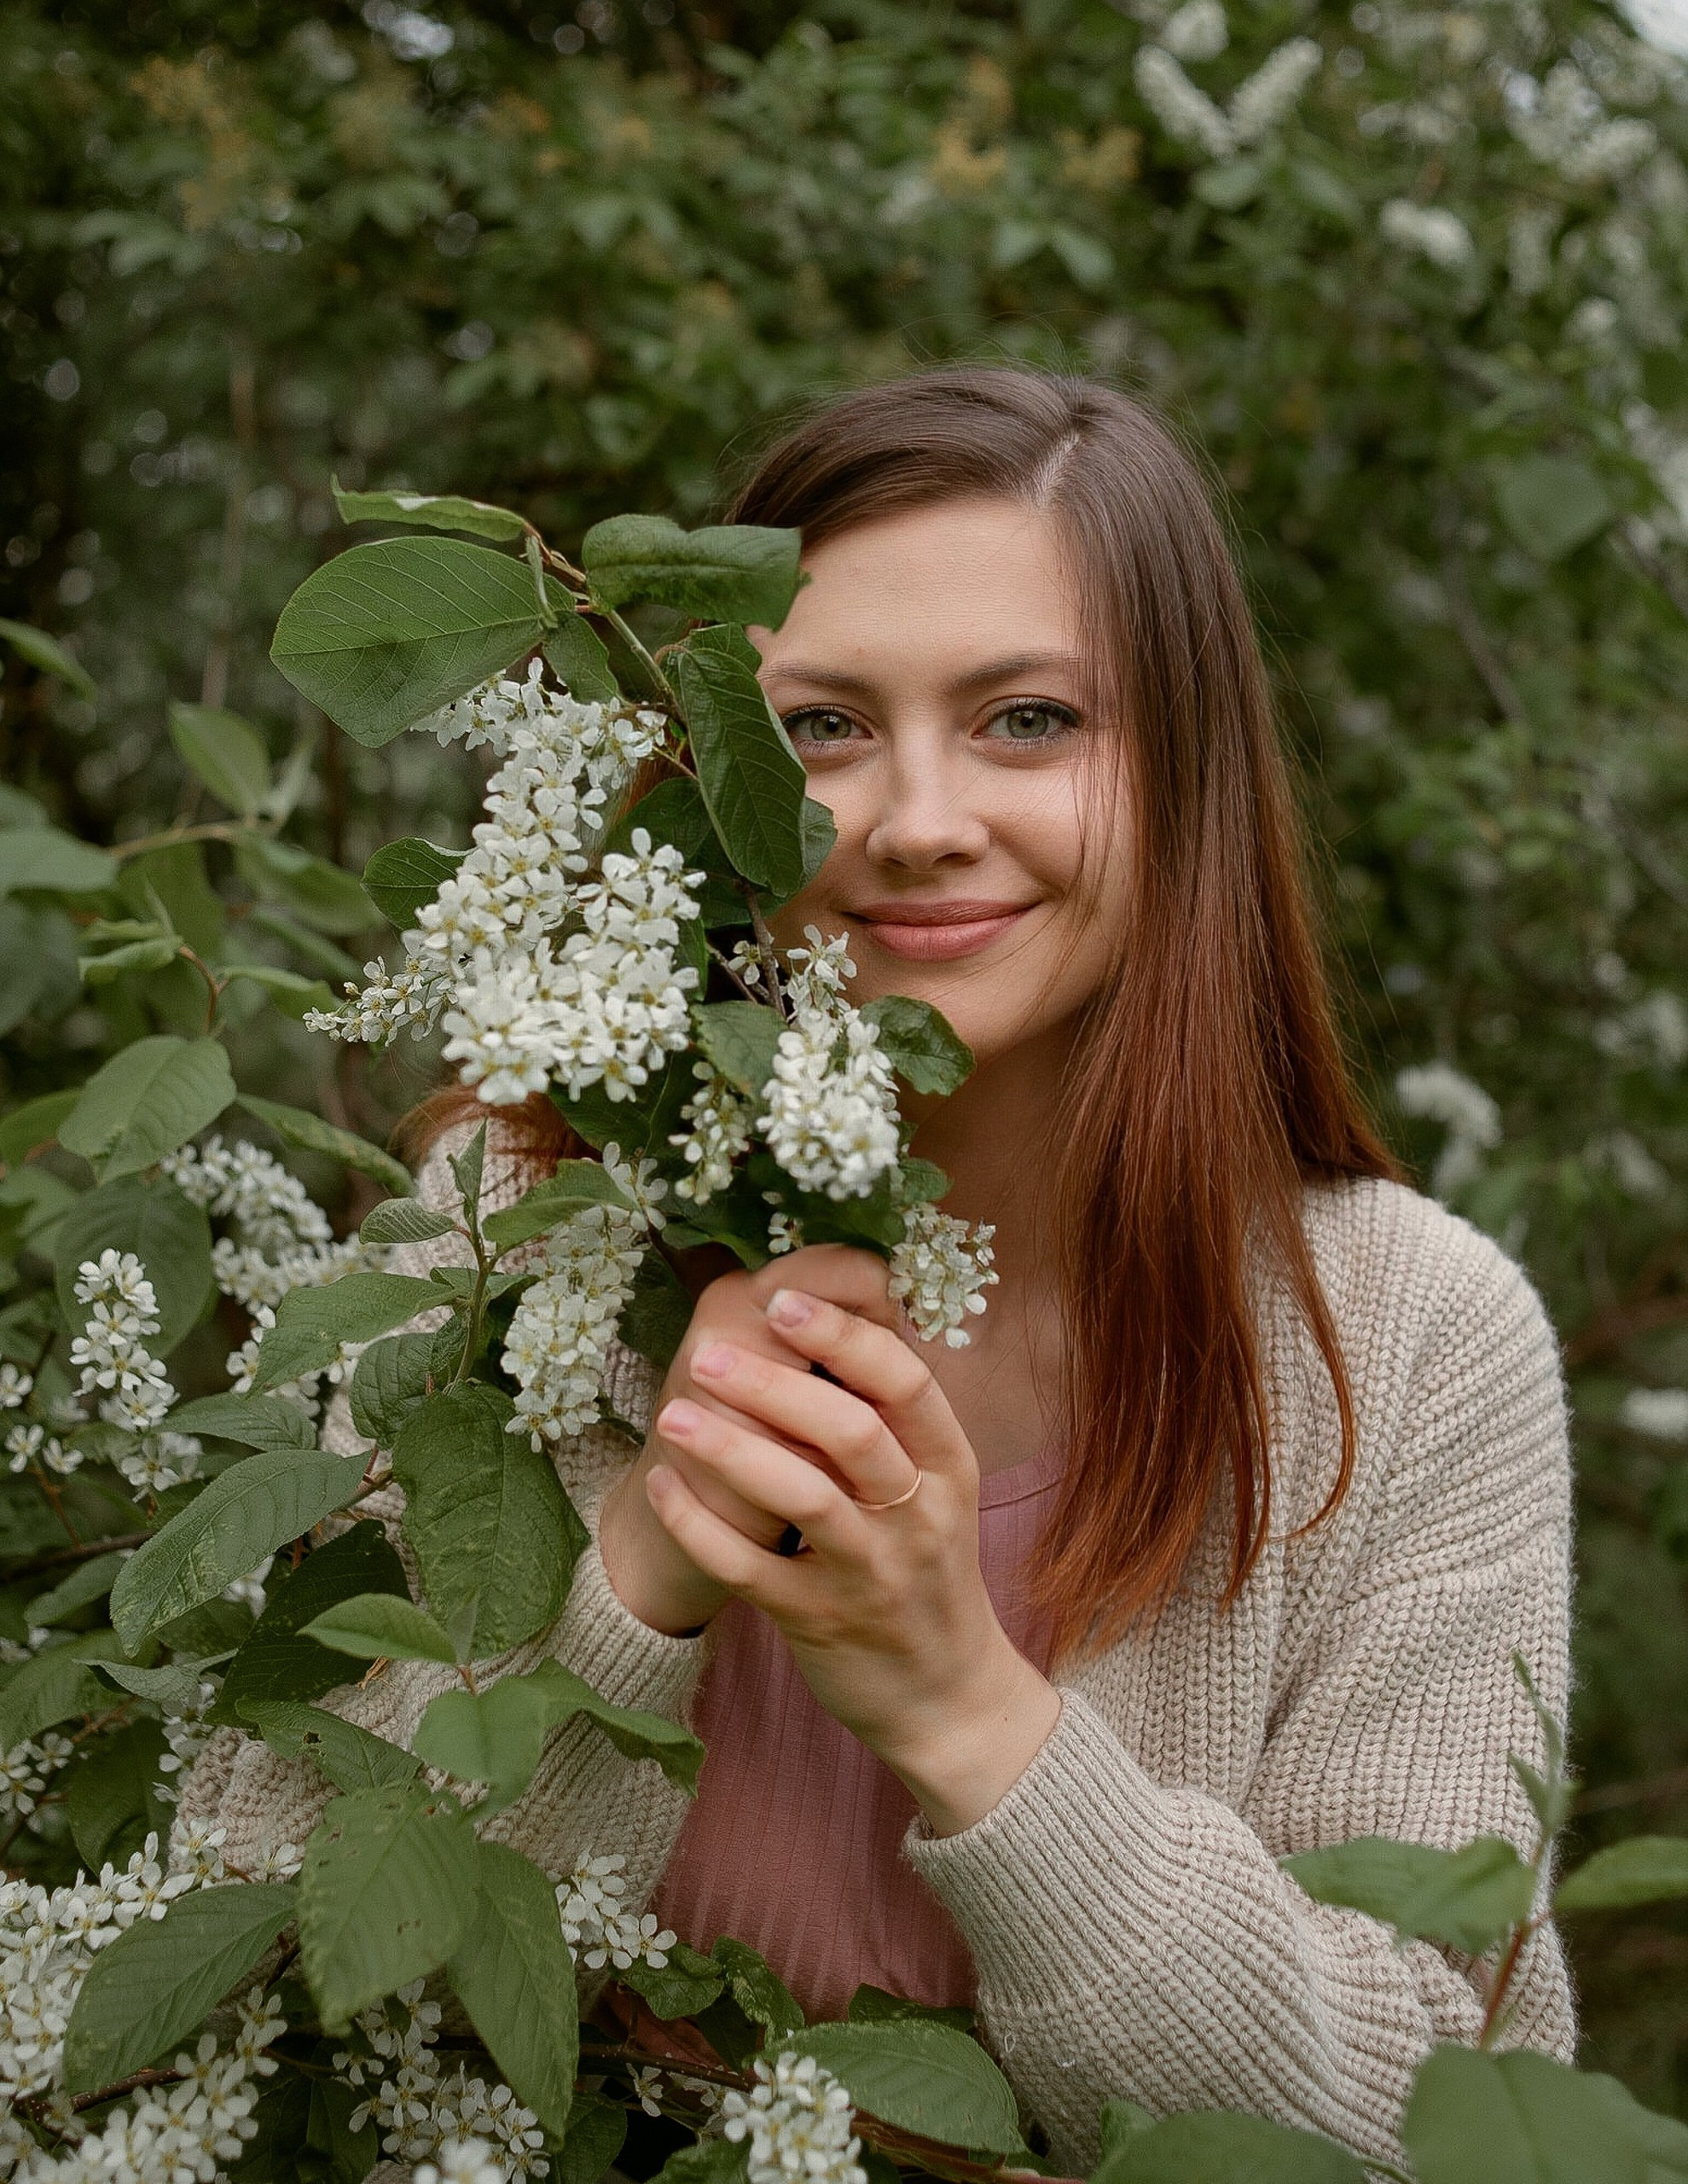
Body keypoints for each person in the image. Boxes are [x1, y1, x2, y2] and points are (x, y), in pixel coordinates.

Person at [184, 368, 1573, 2170]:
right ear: (717, 785)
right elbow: (263, 1935)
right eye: (825, 727)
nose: (916, 818)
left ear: (1189, 769)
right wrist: (634, 1571)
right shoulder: (519, 1230)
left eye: (1028, 719)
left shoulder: (1410, 1344)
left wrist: (957, 1701)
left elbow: (1425, 2123)